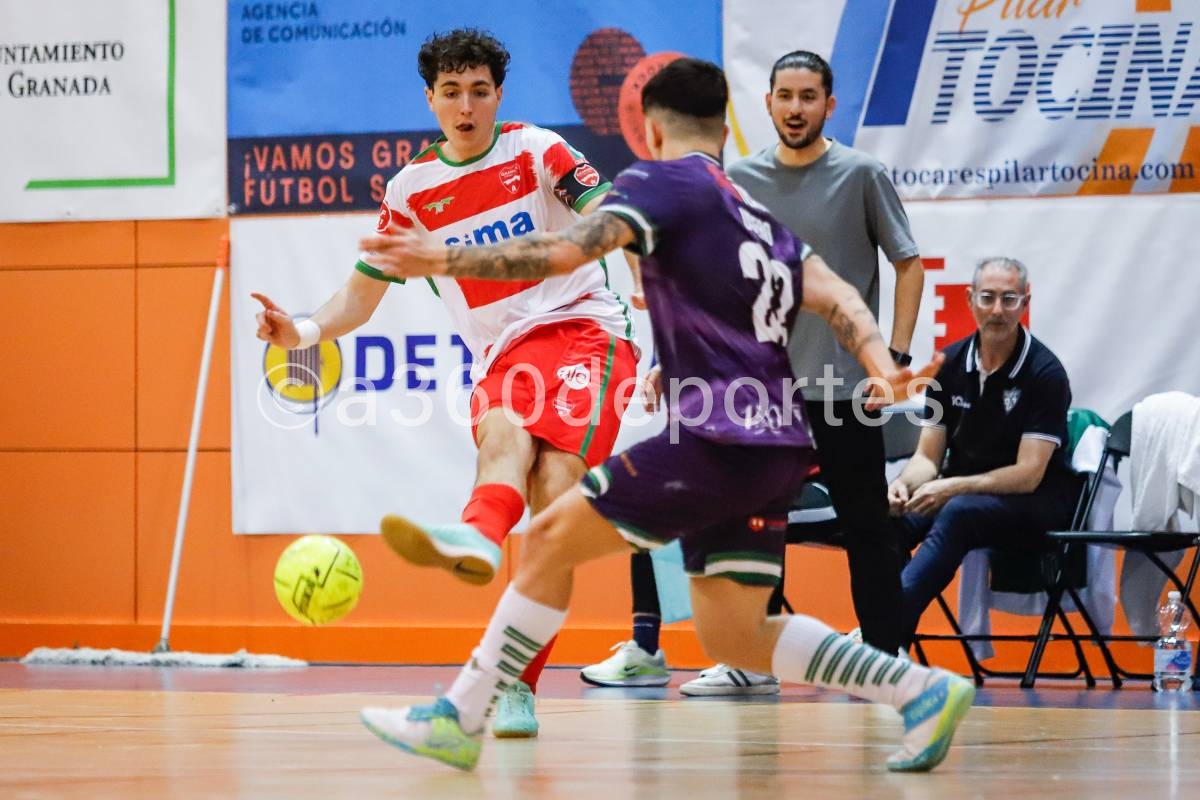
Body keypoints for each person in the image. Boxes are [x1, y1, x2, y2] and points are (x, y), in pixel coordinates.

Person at [355, 57, 973, 774]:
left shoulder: (657, 183)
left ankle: (458, 716)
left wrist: (445, 257)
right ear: (726, 126)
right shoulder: (753, 212)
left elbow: (562, 251)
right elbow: (836, 295)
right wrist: (882, 364)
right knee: (736, 632)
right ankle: (919, 688)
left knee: (551, 536)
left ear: (648, 129)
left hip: (716, 436)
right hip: (776, 442)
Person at [251, 28, 638, 739]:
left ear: (499, 96)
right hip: (502, 356)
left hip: (585, 328)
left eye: (480, 91)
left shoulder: (539, 150)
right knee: (500, 438)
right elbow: (360, 298)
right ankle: (480, 541)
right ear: (430, 99)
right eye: (452, 92)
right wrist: (300, 332)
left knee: (553, 495)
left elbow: (615, 223)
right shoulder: (410, 190)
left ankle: (514, 682)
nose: (467, 106)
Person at [588, 49, 927, 695]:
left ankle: (888, 664)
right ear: (766, 104)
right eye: (784, 96)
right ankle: (749, 662)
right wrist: (663, 358)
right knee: (748, 526)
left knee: (866, 529)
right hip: (757, 392)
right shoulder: (734, 179)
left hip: (841, 391)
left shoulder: (861, 174)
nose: (795, 108)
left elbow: (907, 263)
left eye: (808, 96)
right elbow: (696, 280)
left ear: (829, 104)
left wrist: (896, 361)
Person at [888, 257, 1076, 648]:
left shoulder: (1045, 374)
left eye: (1009, 299)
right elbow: (927, 458)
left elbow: (1028, 474)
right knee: (889, 521)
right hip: (965, 492)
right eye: (987, 298)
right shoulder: (948, 364)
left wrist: (953, 488)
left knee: (958, 512)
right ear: (970, 300)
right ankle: (894, 645)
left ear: (1025, 303)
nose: (997, 310)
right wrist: (902, 486)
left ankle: (878, 632)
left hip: (1037, 502)